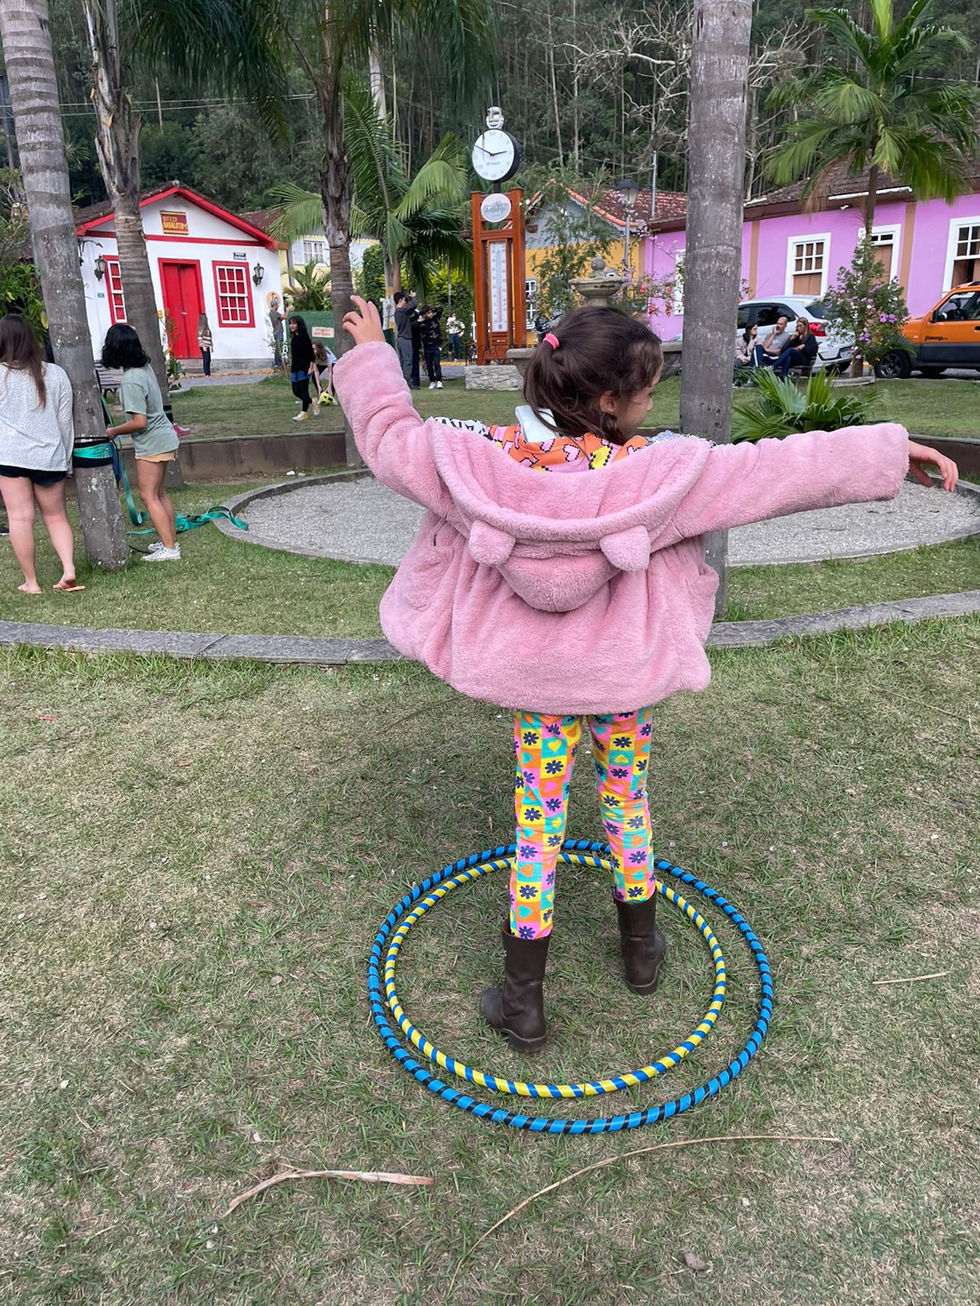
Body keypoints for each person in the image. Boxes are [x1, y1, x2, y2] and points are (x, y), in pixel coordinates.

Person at [335, 296, 958, 1053]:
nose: (652, 404)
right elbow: (777, 471)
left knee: (540, 823)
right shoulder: (660, 480)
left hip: (538, 688)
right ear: (607, 401)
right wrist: (892, 452)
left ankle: (523, 998)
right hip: (622, 681)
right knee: (626, 800)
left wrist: (371, 354)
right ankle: (641, 952)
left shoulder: (479, 465)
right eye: (647, 391)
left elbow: (389, 438)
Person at [0, 313, 82, 593]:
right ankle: (68, 570)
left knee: (20, 518)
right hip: (50, 457)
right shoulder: (56, 374)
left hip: (9, 457)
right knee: (56, 516)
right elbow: (64, 424)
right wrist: (66, 461)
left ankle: (31, 582)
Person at [101, 323, 182, 562]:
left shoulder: (131, 379)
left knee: (148, 496)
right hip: (164, 437)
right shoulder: (143, 367)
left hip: (152, 442)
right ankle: (170, 541)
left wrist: (113, 431)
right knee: (159, 493)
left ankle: (169, 549)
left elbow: (139, 422)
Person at [287, 315, 315, 421]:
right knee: (295, 391)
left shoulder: (304, 338)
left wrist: (311, 367)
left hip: (304, 367)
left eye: (294, 323)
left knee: (304, 391)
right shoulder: (294, 337)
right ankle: (312, 401)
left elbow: (311, 354)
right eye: (290, 323)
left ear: (299, 324)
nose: (291, 326)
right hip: (295, 367)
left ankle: (304, 412)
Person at [393, 290, 418, 386]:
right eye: (404, 300)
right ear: (400, 300)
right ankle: (407, 381)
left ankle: (403, 381)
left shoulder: (399, 312)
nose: (405, 302)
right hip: (405, 338)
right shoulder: (401, 311)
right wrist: (413, 296)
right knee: (407, 360)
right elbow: (414, 304)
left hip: (401, 338)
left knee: (403, 360)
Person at [420, 305, 443, 389]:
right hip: (427, 346)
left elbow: (440, 309)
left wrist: (432, 310)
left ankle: (439, 380)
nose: (430, 314)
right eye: (428, 313)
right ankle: (432, 381)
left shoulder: (435, 318)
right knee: (429, 365)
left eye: (431, 312)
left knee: (437, 363)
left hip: (436, 344)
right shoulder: (422, 323)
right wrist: (421, 316)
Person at [311, 342, 336, 411]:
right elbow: (316, 371)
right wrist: (319, 387)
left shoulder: (327, 355)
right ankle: (321, 395)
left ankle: (330, 396)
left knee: (333, 378)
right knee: (313, 377)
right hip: (319, 362)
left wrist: (329, 387)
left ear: (319, 349)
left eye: (314, 349)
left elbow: (330, 372)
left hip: (331, 363)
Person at [269, 294, 285, 368]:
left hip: (276, 331)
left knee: (278, 348)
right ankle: (277, 363)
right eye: (277, 305)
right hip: (278, 332)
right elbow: (284, 317)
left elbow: (280, 319)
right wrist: (287, 310)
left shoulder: (271, 313)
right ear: (274, 305)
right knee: (279, 348)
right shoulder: (275, 313)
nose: (278, 306)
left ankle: (278, 363)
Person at [197, 313, 213, 377]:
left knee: (208, 359)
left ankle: (208, 373)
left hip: (207, 344)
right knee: (206, 359)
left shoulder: (206, 327)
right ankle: (207, 374)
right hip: (204, 345)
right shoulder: (201, 328)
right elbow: (200, 337)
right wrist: (203, 345)